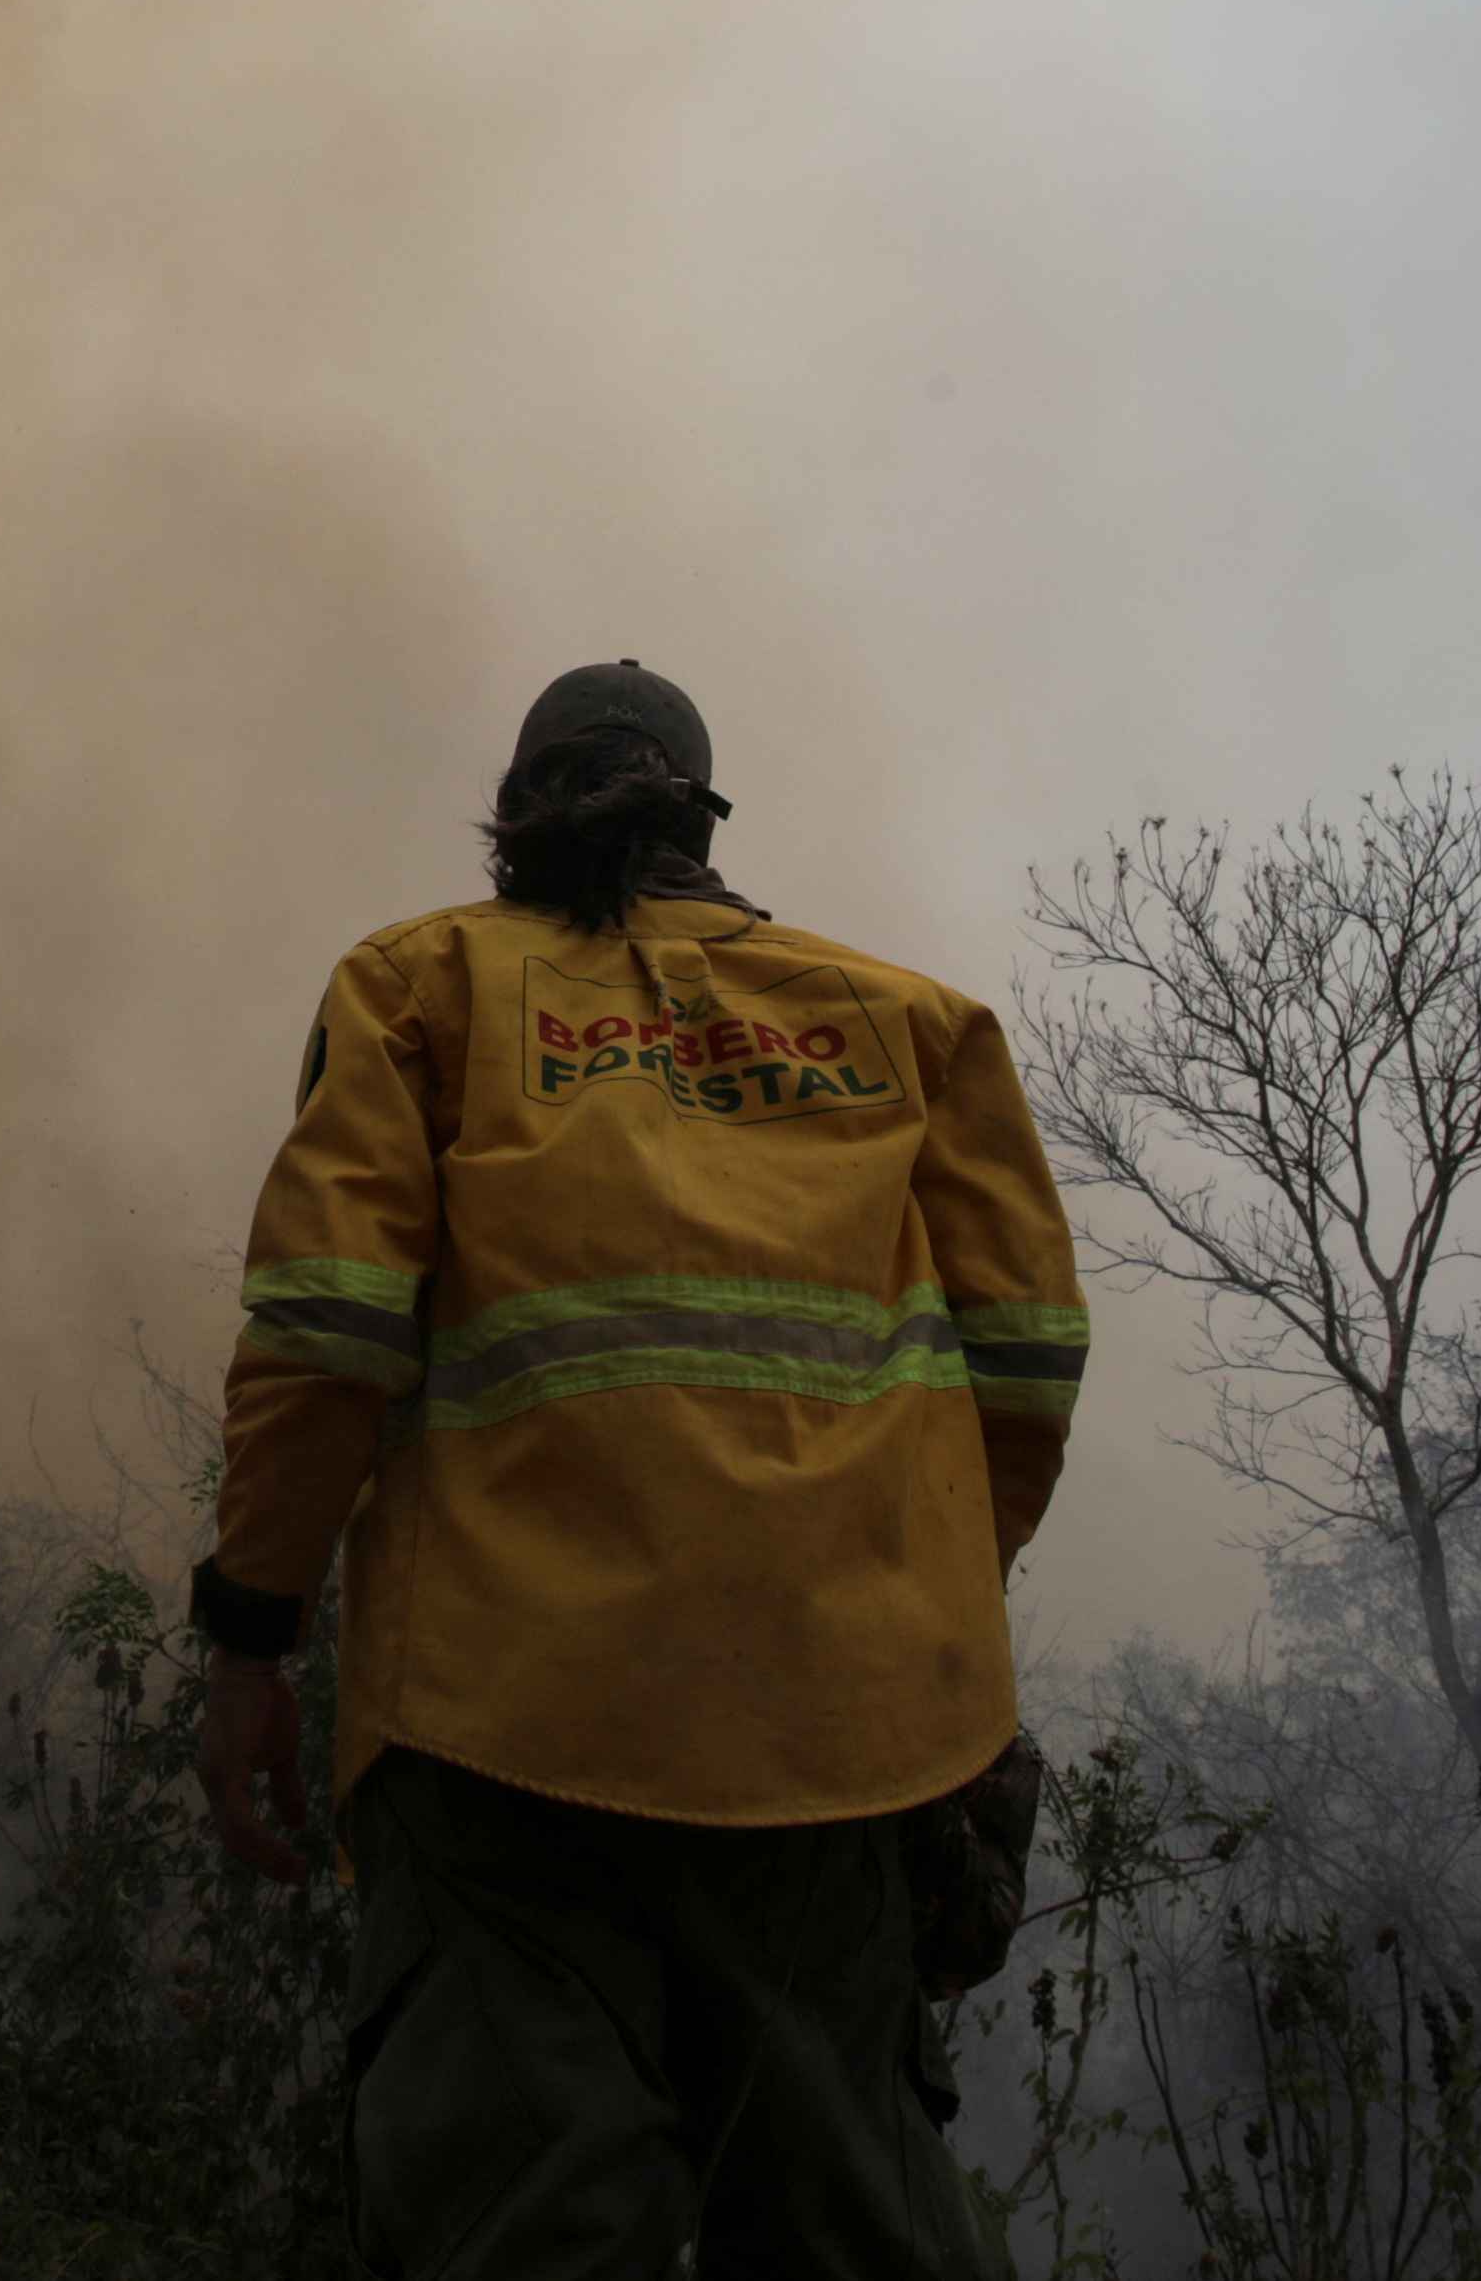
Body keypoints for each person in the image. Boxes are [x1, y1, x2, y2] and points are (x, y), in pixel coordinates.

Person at [190, 661, 1088, 2281]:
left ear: (517, 816)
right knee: (852, 2229)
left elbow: (325, 1338)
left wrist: (250, 1639)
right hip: (842, 1736)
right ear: (699, 809)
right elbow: (1026, 1363)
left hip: (499, 1735)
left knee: (518, 2228)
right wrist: (918, 1619)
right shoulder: (911, 1024)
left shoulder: (421, 986)